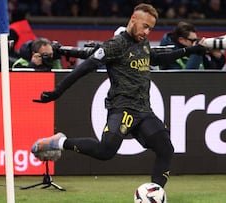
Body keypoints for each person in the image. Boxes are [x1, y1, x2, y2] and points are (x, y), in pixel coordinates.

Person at [30, 3, 206, 188]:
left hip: (144, 110)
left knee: (166, 149)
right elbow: (85, 68)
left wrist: (191, 50)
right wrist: (58, 91)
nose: (147, 32)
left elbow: (158, 58)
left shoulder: (142, 43)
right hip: (122, 108)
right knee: (105, 152)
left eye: (151, 29)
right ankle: (61, 142)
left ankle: (155, 194)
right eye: (145, 26)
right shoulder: (116, 44)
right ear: (133, 19)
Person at [159, 21, 226, 70]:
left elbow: (210, 73)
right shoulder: (168, 54)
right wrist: (196, 52)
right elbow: (185, 79)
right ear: (181, 40)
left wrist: (218, 58)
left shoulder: (196, 52)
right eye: (193, 40)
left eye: (196, 39)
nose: (195, 43)